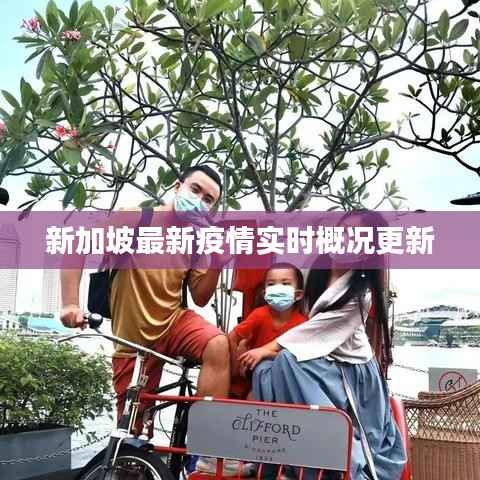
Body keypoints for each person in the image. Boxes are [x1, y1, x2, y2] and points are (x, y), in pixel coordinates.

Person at [60, 165, 231, 435]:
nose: (199, 200)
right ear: (178, 186)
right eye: (195, 190)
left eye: (208, 200)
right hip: (132, 339)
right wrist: (70, 303)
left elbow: (200, 297)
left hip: (174, 323)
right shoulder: (136, 219)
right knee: (133, 434)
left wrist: (217, 263)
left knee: (218, 344)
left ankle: (208, 442)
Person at [239, 211, 407, 480]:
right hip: (321, 363)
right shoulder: (316, 271)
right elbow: (288, 281)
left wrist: (267, 348)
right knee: (265, 372)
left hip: (351, 372)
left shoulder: (360, 294)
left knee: (285, 360)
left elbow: (315, 332)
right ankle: (274, 459)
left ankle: (339, 459)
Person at [228, 263, 307, 399]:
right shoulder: (259, 315)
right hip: (252, 377)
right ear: (265, 294)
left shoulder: (303, 324)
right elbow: (231, 338)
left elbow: (298, 359)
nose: (278, 288)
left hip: (284, 379)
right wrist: (235, 365)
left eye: (285, 284)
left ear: (298, 295)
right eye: (271, 284)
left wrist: (267, 354)